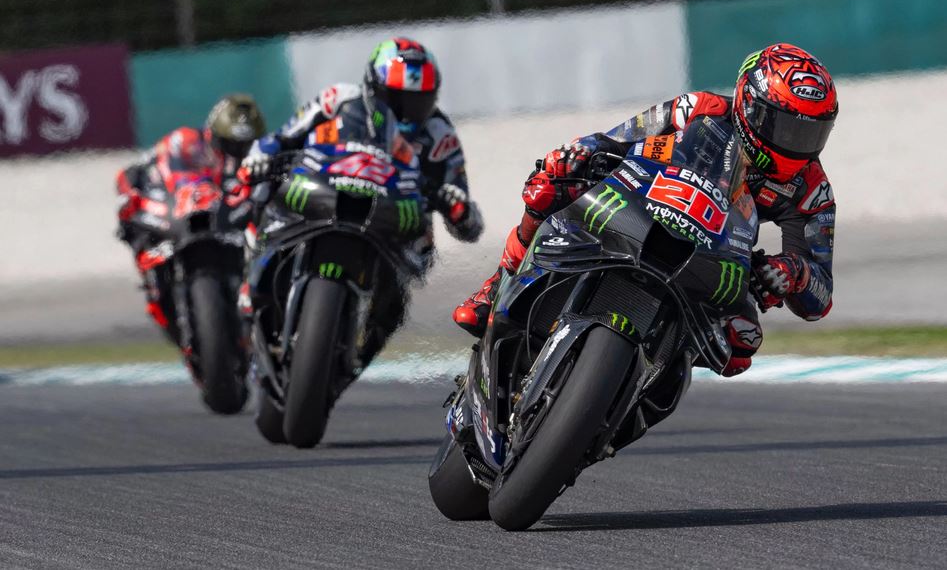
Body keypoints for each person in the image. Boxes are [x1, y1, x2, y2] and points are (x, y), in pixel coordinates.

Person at [453, 43, 838, 377]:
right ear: (750, 106)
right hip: (649, 205)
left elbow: (819, 294)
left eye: (811, 134)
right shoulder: (700, 108)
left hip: (719, 254)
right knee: (551, 182)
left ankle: (648, 379)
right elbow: (619, 137)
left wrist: (793, 272)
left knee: (741, 344)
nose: (797, 145)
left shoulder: (811, 189)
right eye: (788, 129)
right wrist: (580, 154)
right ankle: (497, 284)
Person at [239, 37, 483, 244]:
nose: (405, 114)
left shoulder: (440, 133)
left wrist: (459, 211)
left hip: (394, 222)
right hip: (322, 193)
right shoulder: (338, 99)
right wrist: (259, 160)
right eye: (395, 100)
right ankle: (254, 247)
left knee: (423, 245)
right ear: (372, 88)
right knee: (264, 189)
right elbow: (280, 138)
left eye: (418, 102)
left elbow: (470, 225)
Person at [115, 94, 266, 331]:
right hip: (182, 217)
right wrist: (134, 190)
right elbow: (141, 169)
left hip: (233, 225)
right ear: (214, 134)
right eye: (230, 144)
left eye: (245, 145)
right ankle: (155, 284)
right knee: (132, 223)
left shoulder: (262, 155)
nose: (237, 152)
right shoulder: (185, 142)